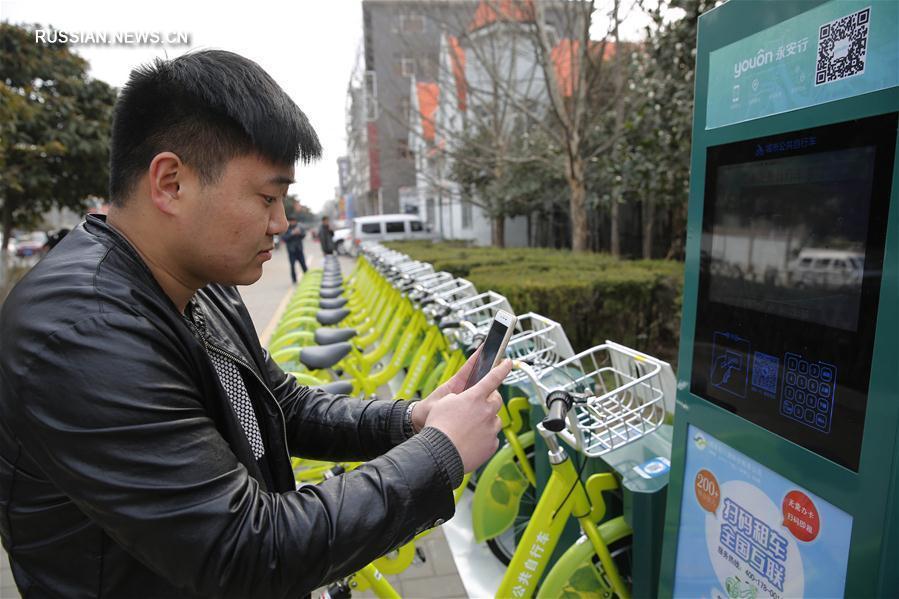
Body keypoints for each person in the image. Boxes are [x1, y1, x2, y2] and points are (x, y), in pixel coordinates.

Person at [0, 50, 507, 599]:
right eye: (267, 196)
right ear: (170, 182)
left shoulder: (200, 281)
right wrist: (439, 453)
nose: (282, 223)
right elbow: (247, 551)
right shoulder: (82, 333)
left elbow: (280, 406)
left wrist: (411, 420)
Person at [282, 216, 307, 283]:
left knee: (303, 264)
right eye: (291, 221)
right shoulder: (286, 229)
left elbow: (304, 235)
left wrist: (299, 233)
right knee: (292, 266)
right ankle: (294, 280)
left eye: (294, 221)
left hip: (299, 250)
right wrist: (292, 233)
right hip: (291, 251)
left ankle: (307, 277)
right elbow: (284, 238)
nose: (293, 222)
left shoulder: (299, 227)